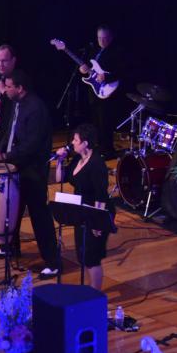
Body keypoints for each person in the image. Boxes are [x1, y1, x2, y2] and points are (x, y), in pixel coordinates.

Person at [0, 69, 58, 279]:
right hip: (17, 167)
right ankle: (11, 248)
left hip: (32, 171)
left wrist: (5, 156)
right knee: (13, 211)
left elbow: (31, 146)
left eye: (9, 87)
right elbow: (10, 133)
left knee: (39, 216)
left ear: (20, 88)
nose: (5, 90)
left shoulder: (35, 109)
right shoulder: (17, 104)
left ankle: (53, 262)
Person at [55, 123, 113, 290]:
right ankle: (90, 289)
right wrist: (59, 160)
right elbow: (60, 178)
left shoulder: (97, 164)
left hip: (96, 213)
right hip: (81, 212)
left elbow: (101, 195)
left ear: (85, 143)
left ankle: (95, 293)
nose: (72, 143)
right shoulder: (77, 159)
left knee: (92, 258)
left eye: (75, 140)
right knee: (83, 255)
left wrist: (97, 223)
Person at [78, 24, 124, 158]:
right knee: (96, 121)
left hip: (109, 90)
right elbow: (89, 69)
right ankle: (98, 148)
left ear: (111, 37)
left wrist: (106, 77)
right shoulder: (94, 51)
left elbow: (122, 72)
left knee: (106, 122)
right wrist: (83, 69)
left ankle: (108, 150)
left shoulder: (117, 52)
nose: (102, 41)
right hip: (94, 92)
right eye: (99, 38)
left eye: (105, 38)